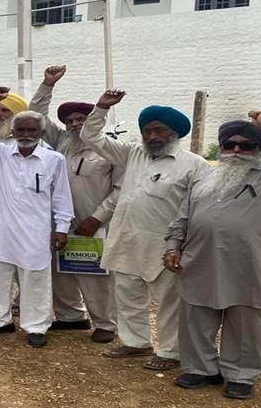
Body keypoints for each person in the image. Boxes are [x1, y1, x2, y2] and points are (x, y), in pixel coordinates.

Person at [166, 112, 261, 400]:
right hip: (200, 259)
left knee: (246, 321)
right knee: (196, 317)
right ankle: (201, 369)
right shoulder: (204, 177)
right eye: (230, 144)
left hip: (251, 263)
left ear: (259, 149)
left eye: (246, 145)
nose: (236, 150)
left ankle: (240, 375)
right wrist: (173, 246)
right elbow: (183, 216)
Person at [81, 90, 210, 370]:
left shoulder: (194, 164)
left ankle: (170, 352)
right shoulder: (132, 153)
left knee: (169, 302)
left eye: (159, 130)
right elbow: (91, 137)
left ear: (174, 132)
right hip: (126, 239)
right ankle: (135, 343)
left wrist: (183, 245)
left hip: (165, 245)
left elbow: (200, 208)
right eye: (147, 130)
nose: (152, 136)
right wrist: (101, 108)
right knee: (127, 295)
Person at [0, 87, 73, 347]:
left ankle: (36, 326)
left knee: (35, 278)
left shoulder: (54, 159)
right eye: (21, 130)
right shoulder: (0, 154)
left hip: (34, 231)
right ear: (13, 132)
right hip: (0, 229)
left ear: (41, 133)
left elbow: (61, 196)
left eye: (32, 130)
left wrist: (61, 227)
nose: (26, 134)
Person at [29, 65, 122, 343]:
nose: (74, 124)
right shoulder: (61, 141)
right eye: (69, 121)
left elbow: (120, 189)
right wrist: (47, 85)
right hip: (59, 220)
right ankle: (70, 316)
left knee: (96, 275)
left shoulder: (111, 149)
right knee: (59, 270)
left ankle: (105, 324)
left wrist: (97, 218)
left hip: (94, 221)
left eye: (81, 119)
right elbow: (36, 115)